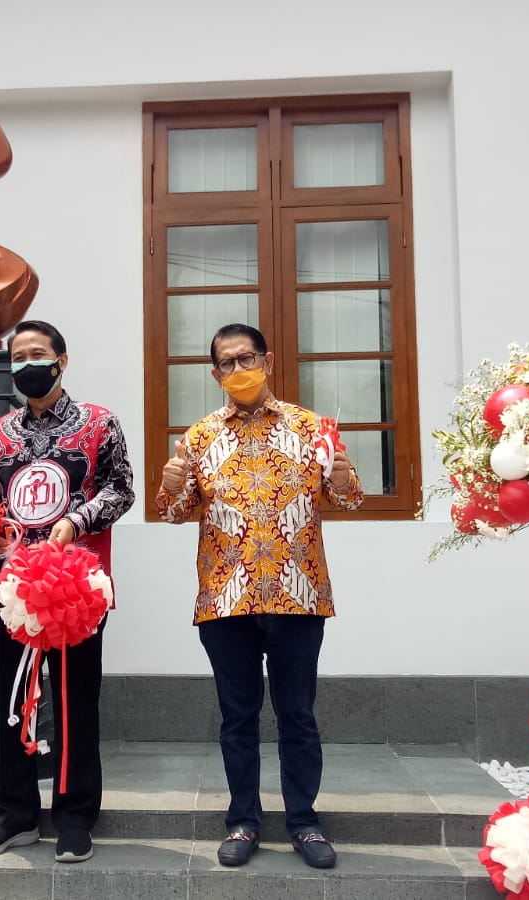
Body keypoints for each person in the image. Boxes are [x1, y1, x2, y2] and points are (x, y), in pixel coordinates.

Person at [155, 323, 362, 870]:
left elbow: (348, 501)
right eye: (226, 362)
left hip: (298, 594)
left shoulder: (312, 428)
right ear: (215, 374)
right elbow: (172, 513)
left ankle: (304, 822)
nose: (238, 369)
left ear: (267, 362)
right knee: (237, 718)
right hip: (225, 600)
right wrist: (171, 487)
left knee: (298, 716)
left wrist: (343, 478)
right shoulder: (198, 438)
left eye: (246, 358)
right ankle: (243, 821)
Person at [0, 320, 134, 864]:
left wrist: (77, 521)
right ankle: (14, 814)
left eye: (37, 353)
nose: (27, 364)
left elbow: (121, 488)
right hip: (11, 589)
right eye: (18, 357)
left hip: (73, 591)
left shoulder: (98, 424)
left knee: (74, 702)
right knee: (12, 704)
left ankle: (75, 816)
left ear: (62, 361)